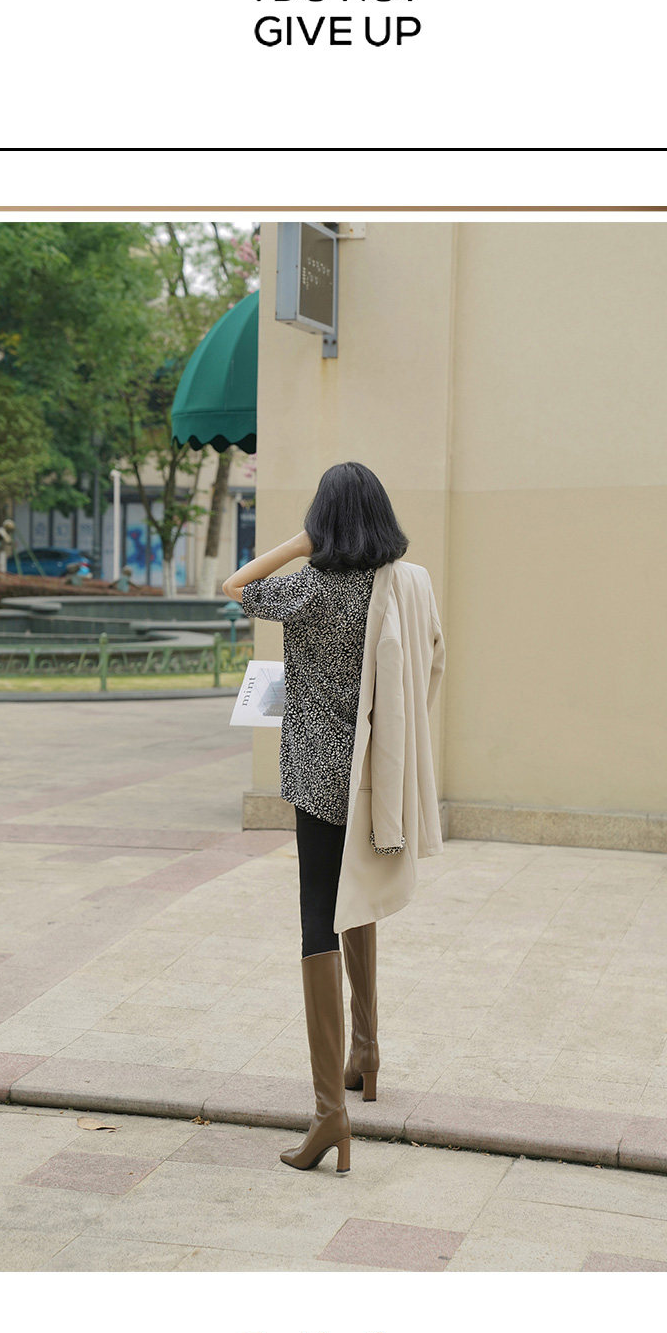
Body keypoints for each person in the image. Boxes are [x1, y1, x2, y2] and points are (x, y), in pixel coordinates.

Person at [222, 462, 444, 1176]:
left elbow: (236, 586)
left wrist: (299, 542)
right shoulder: (408, 584)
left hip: (318, 778)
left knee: (318, 917)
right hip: (377, 774)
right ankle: (365, 1054)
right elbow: (432, 664)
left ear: (323, 521)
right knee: (360, 898)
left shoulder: (311, 589)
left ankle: (328, 1115)